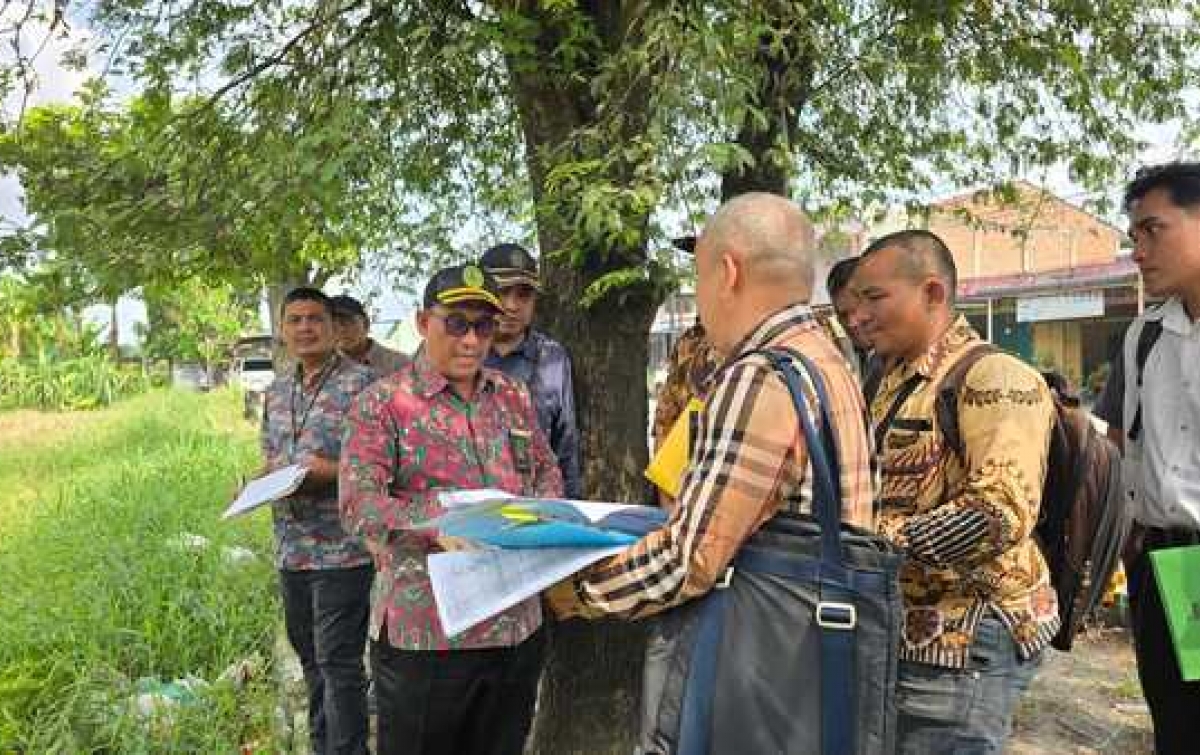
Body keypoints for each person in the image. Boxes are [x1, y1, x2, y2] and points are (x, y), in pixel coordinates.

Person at [547, 192, 873, 620]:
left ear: (727, 272)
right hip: (817, 636)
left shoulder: (759, 376)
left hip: (763, 652)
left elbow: (689, 559)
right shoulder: (828, 359)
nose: (698, 297)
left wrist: (564, 592)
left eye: (699, 278)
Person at [339, 263, 564, 755]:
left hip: (513, 629)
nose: (471, 340)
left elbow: (545, 471)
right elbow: (358, 505)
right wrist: (437, 524)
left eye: (483, 326)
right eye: (456, 324)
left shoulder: (511, 396)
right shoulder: (382, 404)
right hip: (429, 637)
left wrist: (543, 515)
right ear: (423, 323)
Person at [853, 230, 1057, 754]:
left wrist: (870, 541)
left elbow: (999, 512)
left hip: (970, 638)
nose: (860, 316)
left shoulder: (995, 377)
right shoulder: (889, 379)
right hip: (908, 631)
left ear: (932, 293)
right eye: (857, 301)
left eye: (875, 298)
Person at [260, 287, 375, 755]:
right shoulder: (276, 390)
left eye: (315, 319)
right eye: (295, 320)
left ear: (333, 327)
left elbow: (367, 467)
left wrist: (311, 474)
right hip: (291, 549)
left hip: (342, 550)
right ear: (283, 330)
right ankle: (322, 745)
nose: (305, 328)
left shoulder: (362, 385)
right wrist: (255, 484)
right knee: (310, 661)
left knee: (340, 663)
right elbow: (270, 456)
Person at [1119, 162, 1200, 754]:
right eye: (1134, 237)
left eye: (1154, 231)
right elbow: (1127, 444)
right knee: (1175, 728)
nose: (1139, 252)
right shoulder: (1143, 335)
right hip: (1160, 564)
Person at [478, 243, 582, 498]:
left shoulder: (552, 358)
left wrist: (569, 511)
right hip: (469, 511)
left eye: (523, 294)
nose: (512, 305)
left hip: (536, 509)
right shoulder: (460, 353)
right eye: (502, 292)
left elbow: (565, 446)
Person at [329, 294, 410, 377]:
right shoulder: (324, 370)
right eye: (333, 325)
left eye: (346, 321)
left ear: (366, 323)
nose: (341, 330)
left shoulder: (399, 364)